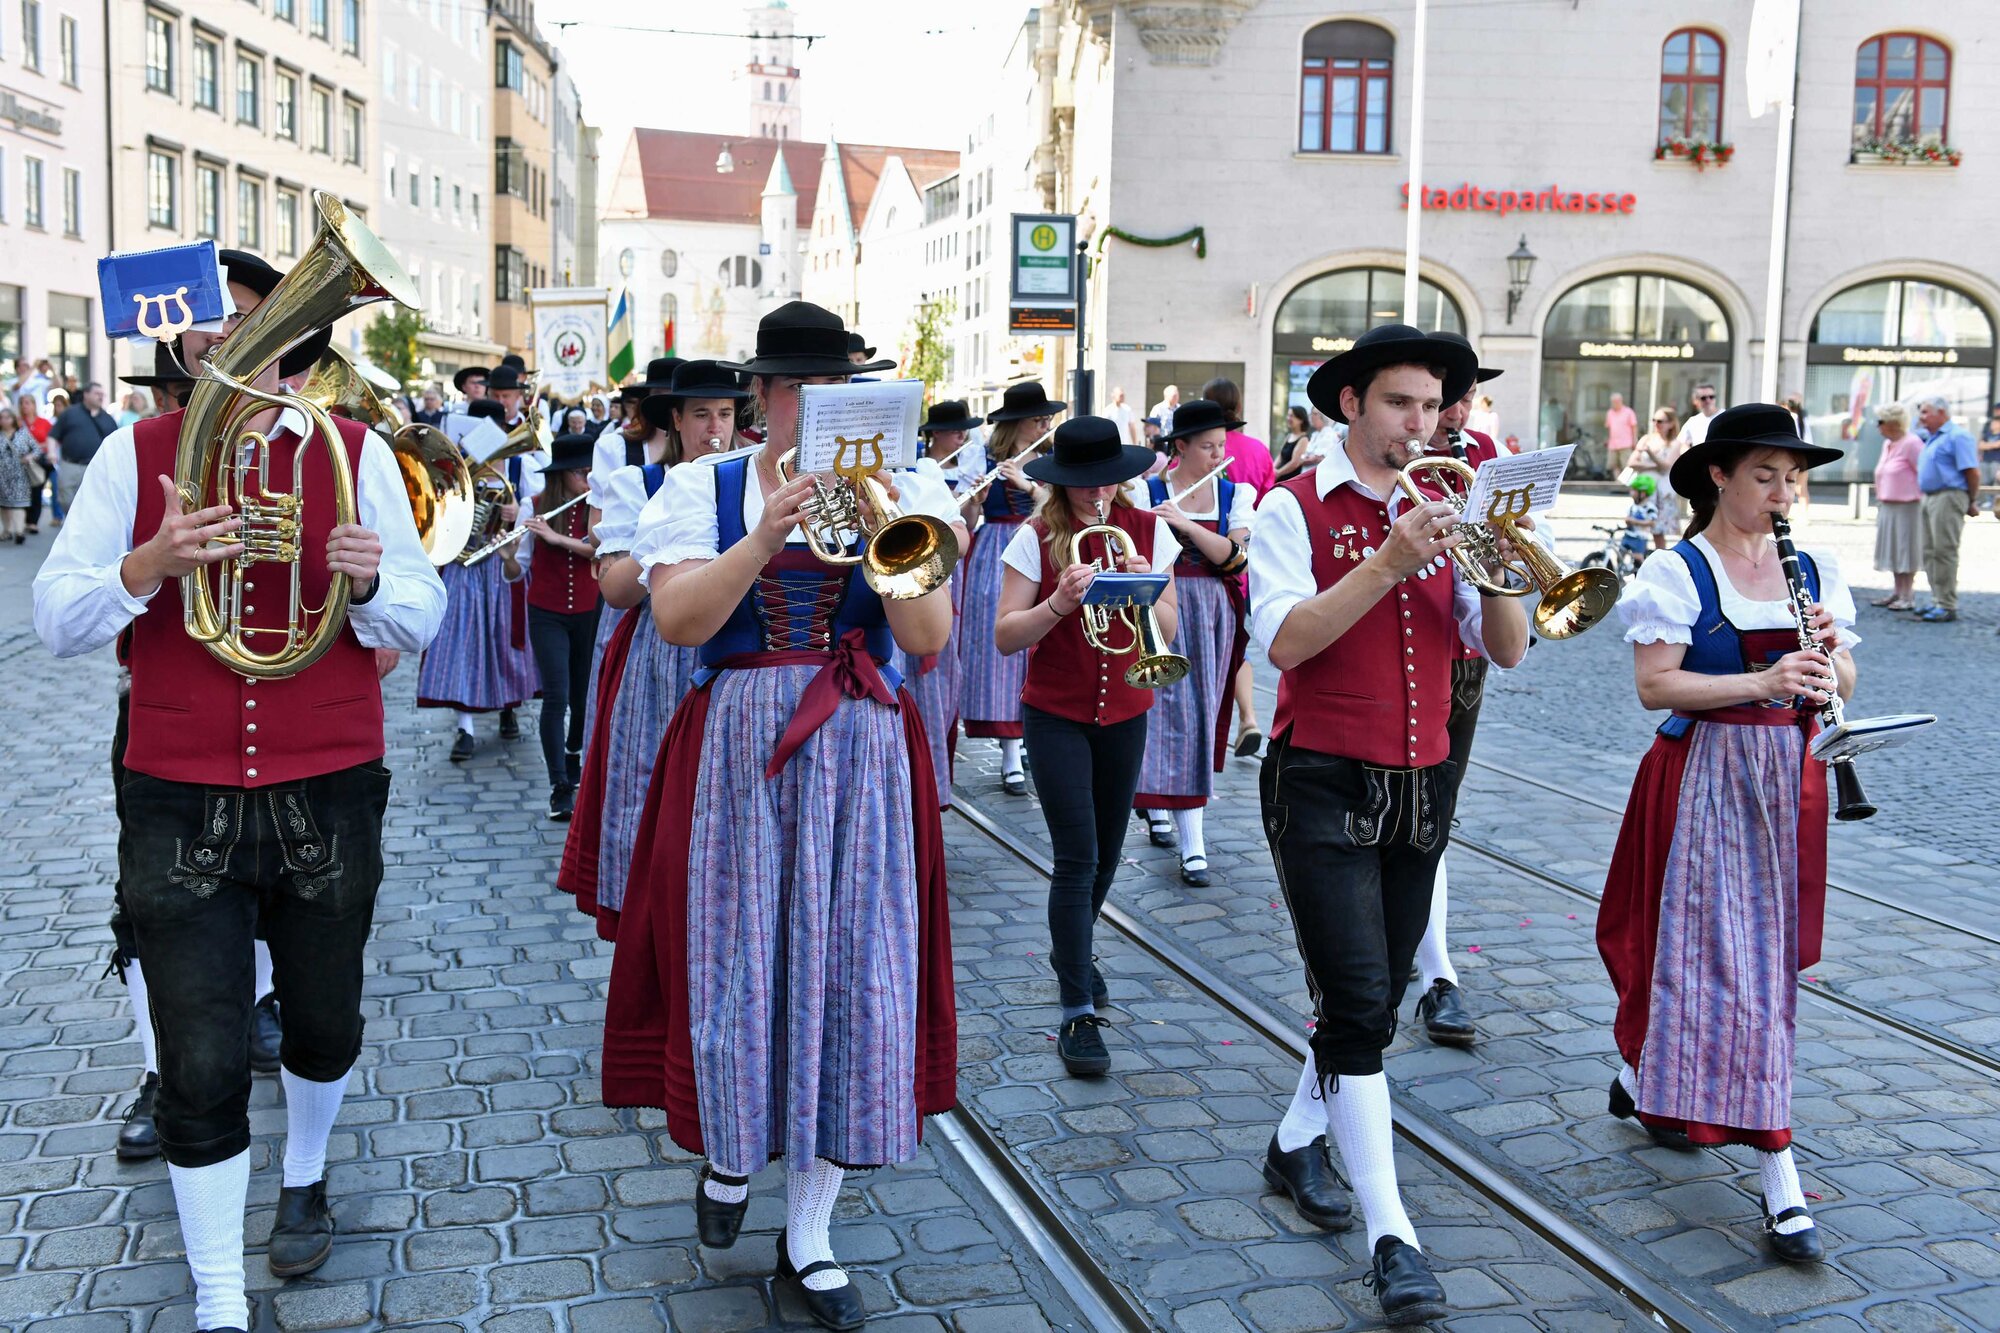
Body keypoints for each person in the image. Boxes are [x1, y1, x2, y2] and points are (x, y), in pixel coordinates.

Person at [32, 245, 447, 1333]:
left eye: (256, 330)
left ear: (295, 350)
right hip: (179, 796)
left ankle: (305, 1172)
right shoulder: (136, 455)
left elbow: (418, 615)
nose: (233, 347)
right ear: (191, 351)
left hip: (328, 786)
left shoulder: (354, 452)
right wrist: (146, 566)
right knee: (200, 1050)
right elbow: (54, 619)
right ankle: (221, 1297)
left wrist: (366, 579)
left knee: (323, 1021)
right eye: (215, 332)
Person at [603, 302, 958, 1329]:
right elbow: (676, 620)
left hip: (858, 744)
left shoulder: (911, 489)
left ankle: (810, 1233)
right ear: (763, 398)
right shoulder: (701, 487)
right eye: (803, 389)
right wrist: (764, 534)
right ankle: (726, 1154)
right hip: (741, 743)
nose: (825, 409)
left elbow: (926, 633)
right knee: (735, 961)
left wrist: (887, 517)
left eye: (843, 390)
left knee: (855, 972)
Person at [1249, 324, 1529, 1325]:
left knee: (1360, 1000)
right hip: (1320, 779)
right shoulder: (1291, 506)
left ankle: (1292, 1141)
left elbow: (1503, 652)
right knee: (1361, 1002)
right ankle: (1390, 1235)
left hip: (1421, 779)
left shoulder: (1446, 503)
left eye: (1431, 406)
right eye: (1399, 404)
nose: (1420, 423)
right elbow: (1284, 642)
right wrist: (1382, 560)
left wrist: (1498, 566)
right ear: (1354, 405)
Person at [1598, 402, 1856, 1267]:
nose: (1784, 493)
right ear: (1718, 475)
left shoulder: (1809, 566)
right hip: (1704, 778)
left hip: (1790, 781)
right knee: (1714, 965)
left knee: (1761, 966)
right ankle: (1780, 1172)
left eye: (1794, 477)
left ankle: (1644, 1076)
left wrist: (1825, 658)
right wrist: (1764, 675)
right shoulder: (1678, 569)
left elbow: (1846, 670)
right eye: (1764, 475)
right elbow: (1655, 686)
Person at [993, 417, 1178, 1075]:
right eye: (1082, 482)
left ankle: (1072, 946)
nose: (1096, 492)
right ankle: (1077, 1011)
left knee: (1107, 857)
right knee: (1078, 858)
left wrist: (1144, 585)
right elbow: (1006, 635)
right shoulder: (1034, 537)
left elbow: (1171, 626)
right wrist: (1058, 605)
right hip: (1056, 714)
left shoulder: (1147, 529)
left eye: (1106, 480)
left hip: (1127, 708)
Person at [557, 366, 739, 938]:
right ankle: (651, 917)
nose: (716, 428)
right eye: (702, 415)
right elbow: (612, 588)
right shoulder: (641, 483)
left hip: (732, 654)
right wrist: (664, 536)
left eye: (727, 415)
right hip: (661, 658)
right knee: (651, 790)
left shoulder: (751, 480)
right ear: (677, 422)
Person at [1408, 344, 1508, 1050]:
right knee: (1405, 816)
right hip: (1398, 649)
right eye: (1447, 397)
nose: (1458, 411)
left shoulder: (1485, 455)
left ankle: (1433, 968)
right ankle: (1425, 969)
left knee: (1437, 810)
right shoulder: (1381, 460)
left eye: (1464, 397)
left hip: (1464, 654)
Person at [1133, 399, 1252, 886]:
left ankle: (1189, 832)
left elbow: (1237, 558)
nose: (1217, 454)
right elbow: (1134, 551)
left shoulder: (1235, 492)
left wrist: (1184, 526)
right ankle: (1166, 812)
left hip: (1213, 609)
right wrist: (1159, 523)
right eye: (1207, 446)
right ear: (1179, 447)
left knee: (1200, 713)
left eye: (1221, 445)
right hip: (1162, 601)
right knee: (1159, 708)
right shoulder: (1147, 490)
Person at [416, 393, 541, 755]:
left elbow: (535, 513)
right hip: (463, 567)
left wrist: (516, 511)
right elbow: (433, 515)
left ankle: (508, 708)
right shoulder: (450, 467)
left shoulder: (519, 467)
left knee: (505, 641)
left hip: (502, 564)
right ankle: (464, 727)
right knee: (461, 645)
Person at [961, 381, 1065, 793]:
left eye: (1047, 419)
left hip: (1046, 544)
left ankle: (1035, 738)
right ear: (1017, 423)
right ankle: (1009, 753)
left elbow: (1056, 507)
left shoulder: (1052, 460)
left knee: (1046, 646)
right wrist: (975, 499)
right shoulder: (983, 455)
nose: (1045, 425)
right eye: (1038, 419)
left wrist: (1026, 482)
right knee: (1005, 649)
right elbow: (967, 523)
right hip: (996, 548)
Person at [903, 399, 986, 808]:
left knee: (928, 712)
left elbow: (962, 537)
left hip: (923, 611)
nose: (962, 437)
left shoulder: (922, 474)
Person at [514, 435, 602, 820]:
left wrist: (555, 537)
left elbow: (600, 550)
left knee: (583, 696)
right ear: (562, 476)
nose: (588, 479)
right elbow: (517, 568)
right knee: (556, 695)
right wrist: (504, 553)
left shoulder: (596, 507)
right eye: (582, 473)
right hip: (546, 612)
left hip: (589, 610)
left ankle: (573, 754)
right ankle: (558, 785)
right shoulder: (531, 508)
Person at [1198, 377, 1272, 754]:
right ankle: (1248, 718)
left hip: (1212, 566)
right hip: (1242, 570)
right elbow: (1270, 499)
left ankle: (1213, 729)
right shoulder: (1259, 450)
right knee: (1234, 647)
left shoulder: (1202, 448)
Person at [1913, 395, 1980, 622]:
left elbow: (1972, 471)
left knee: (1944, 551)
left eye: (1925, 412)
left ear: (1941, 413)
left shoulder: (1958, 437)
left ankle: (1946, 604)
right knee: (1930, 552)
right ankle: (1936, 599)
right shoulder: (1932, 438)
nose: (1921, 417)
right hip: (1931, 497)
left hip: (1949, 496)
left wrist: (1971, 500)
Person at [1869, 404, 1924, 612]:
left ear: (1893, 423)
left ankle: (1908, 595)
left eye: (1880, 422)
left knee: (1906, 549)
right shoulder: (1888, 445)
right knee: (1893, 549)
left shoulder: (1912, 444)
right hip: (1888, 505)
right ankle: (1897, 591)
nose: (1878, 427)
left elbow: (1924, 473)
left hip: (1908, 507)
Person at [50, 381, 119, 512]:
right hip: (70, 464)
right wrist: (51, 452)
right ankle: (72, 521)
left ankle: (82, 527)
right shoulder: (70, 413)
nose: (101, 397)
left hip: (95, 467)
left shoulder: (108, 419)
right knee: (66, 499)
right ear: (86, 394)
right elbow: (53, 435)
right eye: (97, 393)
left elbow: (115, 443)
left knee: (92, 500)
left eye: (102, 394)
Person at [1629, 406, 1681, 550]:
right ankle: (1638, 560)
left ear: (1670, 424)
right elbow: (1632, 462)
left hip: (1662, 492)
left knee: (1658, 532)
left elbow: (1666, 467)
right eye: (1654, 420)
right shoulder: (1646, 439)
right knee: (1640, 528)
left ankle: (1660, 559)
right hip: (1644, 490)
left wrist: (1650, 455)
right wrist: (1653, 466)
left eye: (1660, 421)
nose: (1656, 424)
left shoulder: (1675, 444)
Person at [0, 402, 37, 542]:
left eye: (7, 417)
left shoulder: (23, 434)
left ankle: (19, 531)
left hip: (19, 474)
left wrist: (29, 457)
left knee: (18, 503)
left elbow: (37, 449)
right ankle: (7, 530)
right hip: (2, 475)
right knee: (3, 504)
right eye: (2, 417)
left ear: (14, 419)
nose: (4, 420)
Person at [1624, 475, 1659, 562]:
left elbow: (1652, 522)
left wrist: (1634, 521)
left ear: (1643, 493)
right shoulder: (1633, 507)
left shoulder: (1650, 507)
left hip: (1640, 537)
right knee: (1621, 553)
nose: (1631, 493)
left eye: (1634, 490)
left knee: (1638, 558)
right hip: (1628, 535)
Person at [1605, 392, 1639, 480]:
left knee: (1627, 465)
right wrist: (1608, 440)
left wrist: (1634, 440)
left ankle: (1626, 483)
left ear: (1621, 401)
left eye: (1616, 401)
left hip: (1626, 443)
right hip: (1613, 444)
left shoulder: (1628, 412)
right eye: (1613, 401)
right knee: (1614, 465)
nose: (1615, 403)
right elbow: (1609, 428)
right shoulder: (1610, 413)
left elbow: (1634, 426)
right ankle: (1618, 483)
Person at [1276, 406, 1315, 478]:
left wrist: (1278, 473)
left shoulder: (1304, 439)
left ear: (1301, 420)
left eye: (1291, 416)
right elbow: (1280, 456)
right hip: (1279, 476)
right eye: (1288, 415)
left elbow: (1295, 463)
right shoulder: (1289, 436)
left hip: (1290, 479)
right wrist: (1272, 469)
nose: (1288, 418)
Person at [1979, 402, 2000, 491]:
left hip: (1997, 461)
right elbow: (1980, 445)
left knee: (1995, 481)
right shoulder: (1988, 425)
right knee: (1985, 482)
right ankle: (1987, 502)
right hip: (1986, 460)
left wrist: (1988, 445)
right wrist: (1993, 445)